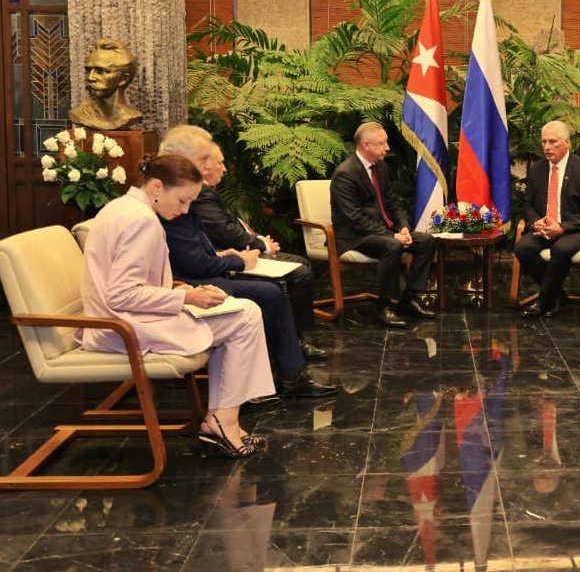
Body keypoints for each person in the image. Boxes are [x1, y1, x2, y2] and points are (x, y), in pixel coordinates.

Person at [78, 154, 273, 458]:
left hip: (118, 318)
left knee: (240, 311)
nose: (184, 210)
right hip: (123, 327)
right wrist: (186, 298)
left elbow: (129, 283)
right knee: (246, 315)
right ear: (157, 187)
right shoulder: (141, 221)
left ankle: (222, 418)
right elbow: (121, 295)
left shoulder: (121, 207)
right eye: (182, 201)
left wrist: (180, 288)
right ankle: (223, 421)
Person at [159, 125, 337, 399]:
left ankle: (284, 370)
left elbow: (199, 249)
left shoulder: (181, 195)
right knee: (270, 291)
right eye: (203, 159)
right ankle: (285, 375)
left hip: (199, 272)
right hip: (188, 284)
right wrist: (238, 262)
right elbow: (194, 264)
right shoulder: (172, 200)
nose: (207, 167)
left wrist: (227, 256)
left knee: (277, 286)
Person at [192, 142, 323, 354]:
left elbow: (230, 225)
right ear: (204, 166)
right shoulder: (199, 195)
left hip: (233, 253)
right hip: (225, 261)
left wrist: (260, 241)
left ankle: (295, 338)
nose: (225, 169)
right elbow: (225, 232)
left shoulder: (205, 192)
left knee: (300, 265)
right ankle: (293, 342)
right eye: (221, 163)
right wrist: (260, 245)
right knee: (299, 273)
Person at [331, 122, 437, 328]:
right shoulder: (345, 174)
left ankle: (409, 299)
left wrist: (403, 227)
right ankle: (383, 307)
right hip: (355, 236)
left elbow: (391, 203)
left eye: (386, 142)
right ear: (365, 145)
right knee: (393, 245)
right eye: (382, 144)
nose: (387, 147)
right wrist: (392, 236)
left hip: (382, 231)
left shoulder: (380, 167)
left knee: (426, 241)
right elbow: (354, 218)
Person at [515, 120, 580, 318]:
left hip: (576, 229)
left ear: (567, 143)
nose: (547, 147)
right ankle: (557, 295)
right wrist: (534, 222)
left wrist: (563, 227)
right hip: (545, 228)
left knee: (561, 248)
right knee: (523, 248)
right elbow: (528, 204)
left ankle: (544, 301)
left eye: (553, 142)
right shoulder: (537, 169)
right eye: (544, 142)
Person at [69, 38, 144, 131]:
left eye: (101, 71)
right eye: (88, 70)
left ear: (124, 79)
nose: (90, 77)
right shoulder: (81, 113)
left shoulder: (130, 116)